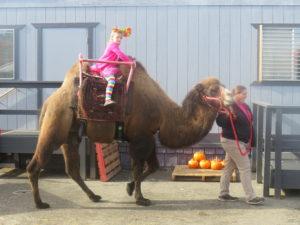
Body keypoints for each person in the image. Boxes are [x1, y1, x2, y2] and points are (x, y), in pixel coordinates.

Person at [216, 85, 265, 205]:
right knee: (245, 167)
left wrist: (251, 142)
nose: (245, 95)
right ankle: (250, 197)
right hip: (232, 141)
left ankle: (223, 194)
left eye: (246, 93)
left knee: (228, 168)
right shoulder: (228, 105)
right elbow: (220, 121)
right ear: (235, 94)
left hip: (240, 142)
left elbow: (249, 124)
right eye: (243, 93)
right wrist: (228, 116)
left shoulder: (245, 107)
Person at [90, 27, 134, 106]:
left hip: (110, 66)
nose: (119, 39)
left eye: (121, 38)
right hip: (105, 66)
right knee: (111, 80)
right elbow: (120, 54)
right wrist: (130, 62)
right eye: (117, 37)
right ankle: (107, 99)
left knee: (119, 74)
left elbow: (119, 57)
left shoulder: (115, 46)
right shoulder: (112, 45)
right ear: (112, 37)